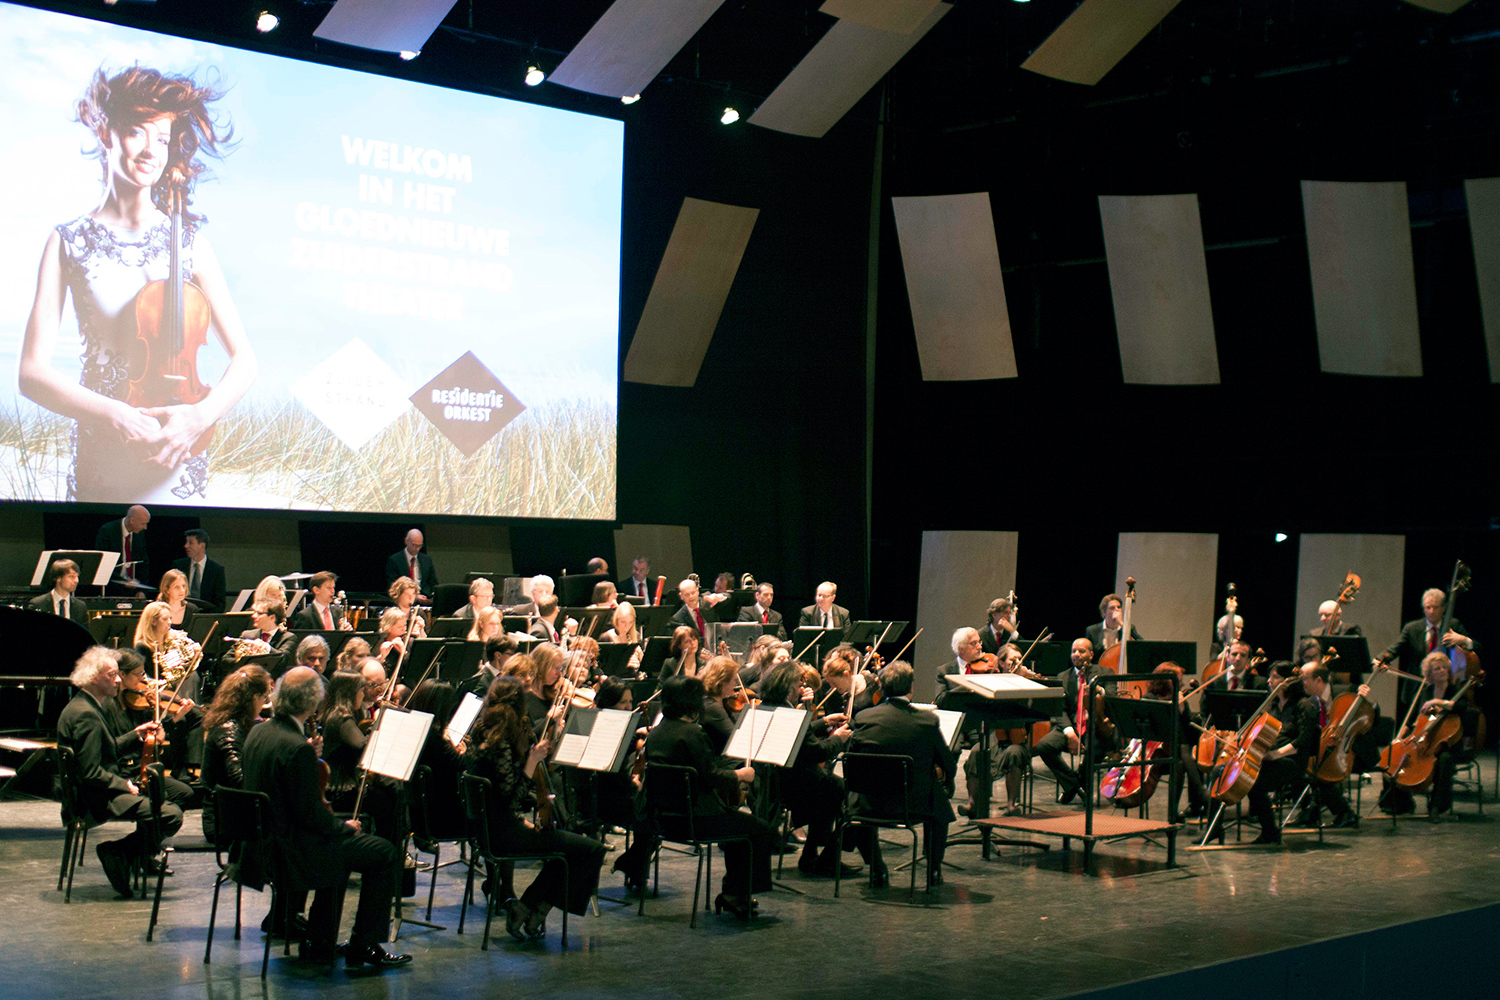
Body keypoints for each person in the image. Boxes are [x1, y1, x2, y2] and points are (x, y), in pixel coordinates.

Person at [21, 68, 257, 504]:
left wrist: (199, 416)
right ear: (107, 133)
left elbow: (245, 360)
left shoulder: (188, 243)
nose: (152, 150)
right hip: (103, 451)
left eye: (163, 139)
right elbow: (31, 374)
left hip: (177, 449)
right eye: (137, 133)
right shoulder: (68, 240)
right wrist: (115, 414)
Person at [241, 667, 410, 968]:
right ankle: (364, 944)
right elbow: (311, 816)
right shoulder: (295, 748)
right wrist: (343, 826)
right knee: (384, 852)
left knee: (342, 851)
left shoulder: (260, 731)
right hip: (292, 852)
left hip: (258, 846)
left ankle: (320, 940)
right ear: (312, 703)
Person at [616, 675, 774, 917]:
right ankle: (736, 893)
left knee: (741, 832)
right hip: (695, 821)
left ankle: (735, 892)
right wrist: (741, 774)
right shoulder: (693, 734)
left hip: (662, 821)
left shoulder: (656, 732)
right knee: (759, 829)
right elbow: (711, 776)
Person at [465, 676, 605, 940]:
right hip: (504, 835)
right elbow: (511, 798)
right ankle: (535, 907)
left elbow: (498, 800)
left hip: (489, 831)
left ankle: (529, 906)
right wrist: (531, 762)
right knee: (591, 850)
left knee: (564, 852)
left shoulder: (483, 732)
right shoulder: (502, 743)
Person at [56, 647, 186, 896]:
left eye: (118, 674)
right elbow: (91, 772)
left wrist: (135, 735)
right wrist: (123, 785)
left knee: (167, 800)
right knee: (170, 814)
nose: (118, 680)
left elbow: (106, 750)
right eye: (111, 675)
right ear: (94, 678)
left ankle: (131, 856)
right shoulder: (86, 716)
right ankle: (119, 852)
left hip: (92, 792)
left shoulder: (84, 705)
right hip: (95, 799)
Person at [846, 660, 958, 887]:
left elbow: (852, 762)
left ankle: (877, 869)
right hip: (913, 804)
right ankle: (934, 870)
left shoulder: (864, 718)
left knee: (854, 797)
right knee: (940, 801)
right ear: (911, 688)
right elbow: (949, 766)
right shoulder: (927, 721)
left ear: (882, 688)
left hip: (871, 803)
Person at [758, 661, 858, 877]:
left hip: (776, 785)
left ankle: (813, 853)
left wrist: (823, 721)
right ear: (787, 686)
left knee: (831, 786)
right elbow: (817, 752)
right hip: (798, 787)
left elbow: (799, 734)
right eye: (797, 683)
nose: (801, 688)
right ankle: (822, 855)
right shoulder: (789, 713)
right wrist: (839, 739)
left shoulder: (765, 708)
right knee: (843, 792)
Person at [1238, 666, 1358, 843]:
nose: (1269, 681)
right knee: (1241, 773)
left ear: (1288, 681)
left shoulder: (1305, 706)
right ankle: (1226, 828)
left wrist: (1276, 754)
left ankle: (1270, 830)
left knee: (1254, 781)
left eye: (1275, 677)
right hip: (1273, 759)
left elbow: (1303, 741)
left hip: (1293, 763)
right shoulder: (1273, 706)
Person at [1380, 651, 1482, 819]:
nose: (1441, 671)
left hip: (1446, 743)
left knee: (1444, 760)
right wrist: (1399, 737)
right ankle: (1401, 803)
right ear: (1430, 674)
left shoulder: (1454, 690)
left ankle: (1437, 807)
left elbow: (1462, 706)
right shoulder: (1426, 691)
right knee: (1394, 755)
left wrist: (1437, 702)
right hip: (1422, 739)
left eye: (1444, 668)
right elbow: (1412, 719)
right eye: (1436, 669)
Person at [199, 663, 271, 843]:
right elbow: (239, 781)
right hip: (223, 822)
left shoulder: (234, 723)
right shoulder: (229, 730)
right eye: (264, 698)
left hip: (230, 815)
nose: (264, 705)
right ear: (254, 698)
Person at [1377, 587, 1479, 688]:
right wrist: (1380, 659)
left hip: (1446, 687)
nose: (1431, 611)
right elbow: (1394, 649)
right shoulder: (1412, 628)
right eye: (1428, 607)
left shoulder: (1453, 625)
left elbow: (1477, 647)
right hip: (1417, 687)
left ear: (1443, 608)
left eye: (1435, 607)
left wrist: (1463, 639)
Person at [697, 655, 742, 756]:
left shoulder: (719, 702)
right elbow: (735, 738)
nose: (735, 685)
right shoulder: (712, 707)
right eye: (734, 680)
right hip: (719, 761)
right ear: (722, 682)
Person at [171, 529, 226, 612]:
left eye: (191, 543)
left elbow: (220, 602)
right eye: (186, 542)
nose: (186, 546)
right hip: (179, 613)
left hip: (205, 616)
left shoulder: (216, 569)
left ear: (202, 546)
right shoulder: (179, 565)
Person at [29, 558, 89, 625]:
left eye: (77, 576)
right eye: (71, 576)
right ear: (58, 578)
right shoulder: (38, 604)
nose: (76, 580)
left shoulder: (80, 606)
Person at [458, 636, 519, 701]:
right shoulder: (481, 683)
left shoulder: (503, 676)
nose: (513, 658)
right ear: (498, 655)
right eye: (510, 654)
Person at [1085, 593, 1143, 657]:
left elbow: (1142, 645)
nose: (1117, 610)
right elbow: (1088, 653)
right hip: (1099, 665)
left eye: (1119, 607)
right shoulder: (1092, 630)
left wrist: (1122, 624)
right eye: (1112, 608)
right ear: (1104, 612)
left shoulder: (1129, 628)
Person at [386, 529, 436, 602]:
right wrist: (414, 596)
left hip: (424, 599)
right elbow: (393, 587)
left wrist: (432, 595)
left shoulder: (426, 560)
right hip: (403, 600)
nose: (417, 549)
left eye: (420, 546)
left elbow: (433, 583)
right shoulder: (395, 560)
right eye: (414, 545)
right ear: (406, 541)